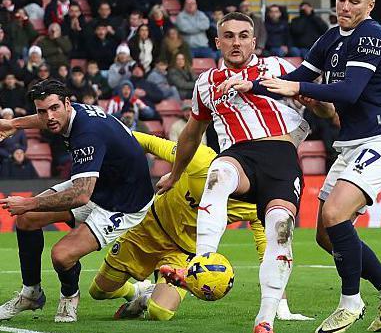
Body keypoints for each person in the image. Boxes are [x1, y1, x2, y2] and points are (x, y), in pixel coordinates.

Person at [248, 0, 381, 333]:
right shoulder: (330, 38)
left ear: (370, 6)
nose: (345, 6)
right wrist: (251, 85)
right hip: (351, 144)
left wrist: (298, 87)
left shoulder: (371, 35)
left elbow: (350, 91)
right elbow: (297, 76)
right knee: (325, 233)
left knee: (337, 215)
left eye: (355, 1)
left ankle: (350, 302)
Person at [154, 12, 323, 333]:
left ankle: (265, 321)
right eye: (228, 36)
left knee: (281, 231)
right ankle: (202, 263)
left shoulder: (276, 67)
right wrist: (174, 175)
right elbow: (192, 132)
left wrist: (319, 108)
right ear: (217, 42)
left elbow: (316, 103)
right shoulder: (206, 83)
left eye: (243, 35)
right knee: (218, 173)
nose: (236, 42)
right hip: (239, 156)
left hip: (281, 159)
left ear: (254, 41)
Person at [90, 131, 310, 322]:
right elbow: (146, 142)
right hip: (148, 229)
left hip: (184, 253)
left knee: (160, 313)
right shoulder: (204, 160)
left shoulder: (256, 204)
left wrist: (280, 307)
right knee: (99, 291)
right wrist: (99, 141)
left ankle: (147, 297)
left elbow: (268, 252)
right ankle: (135, 290)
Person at [0, 79, 154, 323]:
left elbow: (81, 195)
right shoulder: (73, 112)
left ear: (67, 104)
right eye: (42, 111)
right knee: (27, 220)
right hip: (99, 184)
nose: (48, 117)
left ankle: (69, 296)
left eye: (53, 109)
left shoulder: (87, 133)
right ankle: (31, 293)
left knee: (61, 255)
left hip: (123, 203)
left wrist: (29, 202)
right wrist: (13, 124)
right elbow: (44, 118)